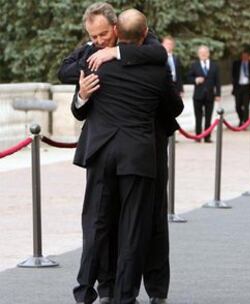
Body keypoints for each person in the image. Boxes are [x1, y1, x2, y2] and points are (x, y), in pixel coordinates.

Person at [58, 4, 183, 304]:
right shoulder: (92, 53)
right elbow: (65, 71)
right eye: (93, 36)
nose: (98, 40)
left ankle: (152, 290)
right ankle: (110, 290)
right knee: (106, 223)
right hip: (113, 149)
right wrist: (83, 93)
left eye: (103, 34)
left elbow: (159, 54)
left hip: (147, 149)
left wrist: (116, 54)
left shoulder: (143, 45)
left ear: (117, 28)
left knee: (148, 222)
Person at [187, 45, 221, 143]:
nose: (203, 54)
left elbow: (217, 81)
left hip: (210, 95)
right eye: (201, 53)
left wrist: (218, 94)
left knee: (208, 117)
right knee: (198, 117)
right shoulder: (194, 65)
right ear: (198, 54)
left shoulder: (214, 65)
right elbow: (188, 77)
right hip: (198, 96)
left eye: (205, 52)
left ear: (208, 54)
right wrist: (195, 80)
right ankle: (198, 136)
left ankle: (207, 137)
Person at [232, 49, 250, 126]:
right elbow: (233, 75)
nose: (244, 57)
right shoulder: (236, 64)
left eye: (246, 56)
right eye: (243, 56)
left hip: (247, 87)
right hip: (238, 87)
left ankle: (245, 122)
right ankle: (241, 119)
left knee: (246, 106)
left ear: (248, 57)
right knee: (237, 106)